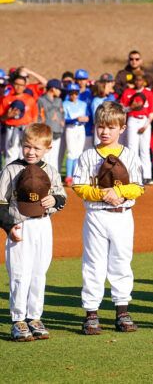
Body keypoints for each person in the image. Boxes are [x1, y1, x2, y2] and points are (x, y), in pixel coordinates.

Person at [72, 101, 145, 334]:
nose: (105, 131)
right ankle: (91, 313)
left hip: (122, 215)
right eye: (101, 126)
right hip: (96, 214)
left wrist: (119, 192)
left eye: (111, 127)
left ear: (122, 129)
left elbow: (138, 187)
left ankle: (122, 311)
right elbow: (79, 186)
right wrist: (102, 194)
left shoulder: (130, 156)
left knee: (121, 262)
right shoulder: (87, 156)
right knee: (93, 264)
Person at [0, 124, 67, 341]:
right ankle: (18, 319)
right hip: (19, 225)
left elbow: (61, 197)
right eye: (27, 146)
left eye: (37, 148)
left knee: (39, 272)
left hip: (43, 224)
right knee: (20, 273)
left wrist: (54, 200)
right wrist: (8, 226)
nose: (31, 152)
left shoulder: (51, 170)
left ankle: (34, 317)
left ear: (48, 148)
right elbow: (1, 202)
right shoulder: (11, 169)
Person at [120, 74, 153, 185]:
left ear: (144, 81)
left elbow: (152, 112)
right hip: (132, 119)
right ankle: (133, 175)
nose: (138, 82)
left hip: (145, 121)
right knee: (132, 148)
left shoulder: (148, 93)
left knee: (144, 149)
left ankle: (146, 176)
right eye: (136, 80)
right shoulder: (128, 92)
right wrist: (131, 107)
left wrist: (145, 126)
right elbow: (122, 108)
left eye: (140, 80)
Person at [1, 73, 39, 165]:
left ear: (25, 86)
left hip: (26, 129)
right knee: (11, 154)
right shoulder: (6, 99)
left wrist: (32, 131)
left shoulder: (30, 99)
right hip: (12, 129)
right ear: (13, 84)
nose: (18, 87)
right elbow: (2, 118)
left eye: (21, 85)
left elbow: (34, 117)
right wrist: (8, 115)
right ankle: (10, 178)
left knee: (26, 154)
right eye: (16, 84)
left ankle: (24, 177)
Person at [62, 83, 89, 186]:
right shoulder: (65, 104)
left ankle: (75, 175)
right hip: (71, 128)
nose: (74, 95)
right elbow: (64, 120)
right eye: (71, 93)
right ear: (69, 94)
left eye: (76, 93)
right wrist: (75, 119)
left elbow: (87, 116)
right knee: (71, 153)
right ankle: (69, 177)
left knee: (78, 152)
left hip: (80, 128)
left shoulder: (83, 104)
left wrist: (86, 119)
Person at [37, 79, 65, 171]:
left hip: (57, 132)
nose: (60, 92)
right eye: (59, 89)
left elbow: (62, 114)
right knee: (45, 157)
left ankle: (54, 180)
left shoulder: (59, 100)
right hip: (46, 133)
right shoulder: (41, 100)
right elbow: (39, 117)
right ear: (53, 89)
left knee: (54, 157)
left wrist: (61, 125)